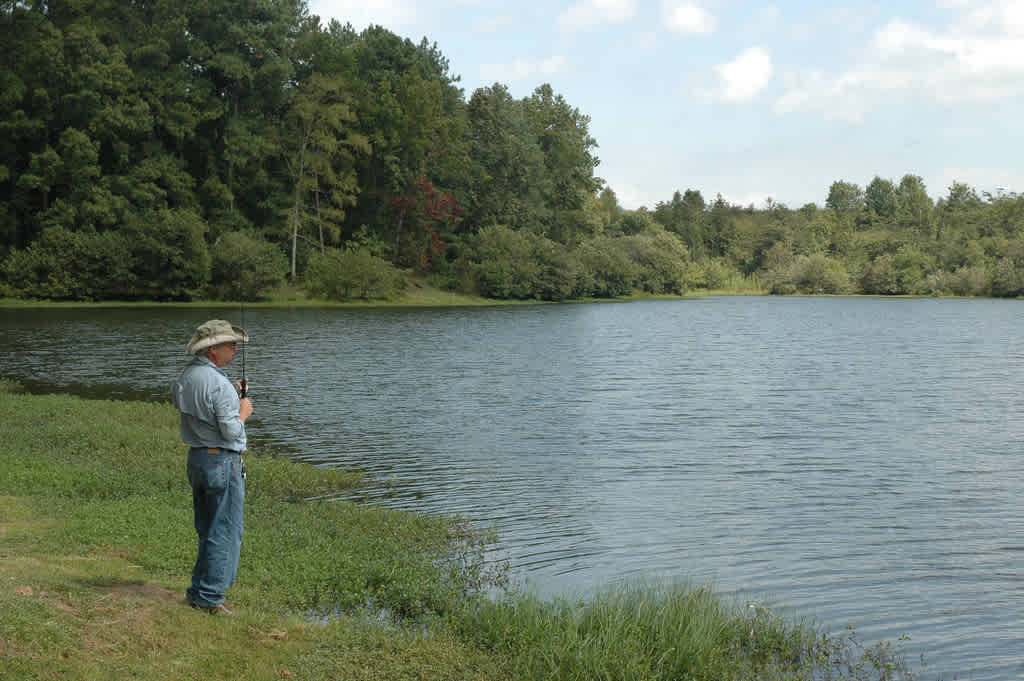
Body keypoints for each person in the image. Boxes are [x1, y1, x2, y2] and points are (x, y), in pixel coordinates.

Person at [172, 319, 253, 615]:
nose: (234, 349)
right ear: (213, 350)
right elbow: (232, 431)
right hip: (222, 462)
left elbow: (198, 405)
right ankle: (210, 598)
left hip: (198, 460)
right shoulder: (218, 384)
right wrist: (242, 411)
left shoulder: (186, 376)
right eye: (231, 345)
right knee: (225, 530)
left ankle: (198, 591)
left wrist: (231, 392)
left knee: (207, 527)